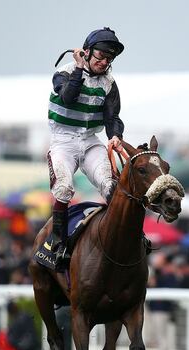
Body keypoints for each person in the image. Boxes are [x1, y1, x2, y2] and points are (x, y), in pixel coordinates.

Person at [47, 27, 126, 272]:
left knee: (111, 185)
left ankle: (120, 239)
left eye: (109, 59)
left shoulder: (109, 83)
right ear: (86, 51)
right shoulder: (64, 73)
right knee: (64, 188)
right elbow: (68, 97)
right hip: (63, 141)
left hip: (91, 140)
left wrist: (115, 136)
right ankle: (58, 243)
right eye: (100, 56)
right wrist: (80, 68)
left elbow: (113, 117)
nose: (104, 63)